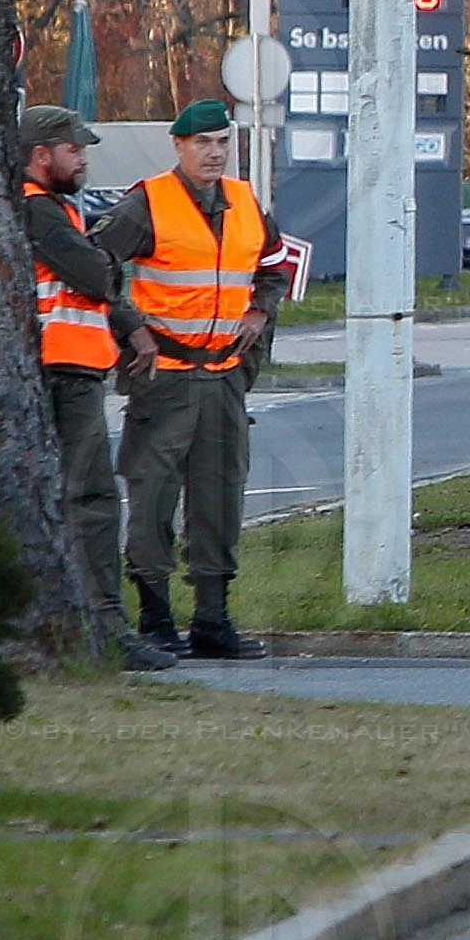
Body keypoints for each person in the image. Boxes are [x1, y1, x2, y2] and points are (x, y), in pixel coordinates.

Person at [95, 98, 288, 659]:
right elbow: (94, 264)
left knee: (220, 498)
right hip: (163, 377)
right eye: (203, 143)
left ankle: (212, 622)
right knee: (153, 496)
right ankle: (155, 620)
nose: (214, 153)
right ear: (178, 146)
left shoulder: (245, 202)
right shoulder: (147, 203)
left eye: (222, 142)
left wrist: (261, 311)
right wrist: (131, 327)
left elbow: (274, 265)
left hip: (224, 376)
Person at [20, 105, 173, 670]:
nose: (83, 160)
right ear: (42, 155)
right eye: (74, 150)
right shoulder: (38, 210)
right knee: (91, 501)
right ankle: (106, 626)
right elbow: (94, 275)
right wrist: (106, 266)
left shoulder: (53, 208)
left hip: (69, 368)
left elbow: (97, 279)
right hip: (62, 369)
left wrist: (128, 321)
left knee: (73, 499)